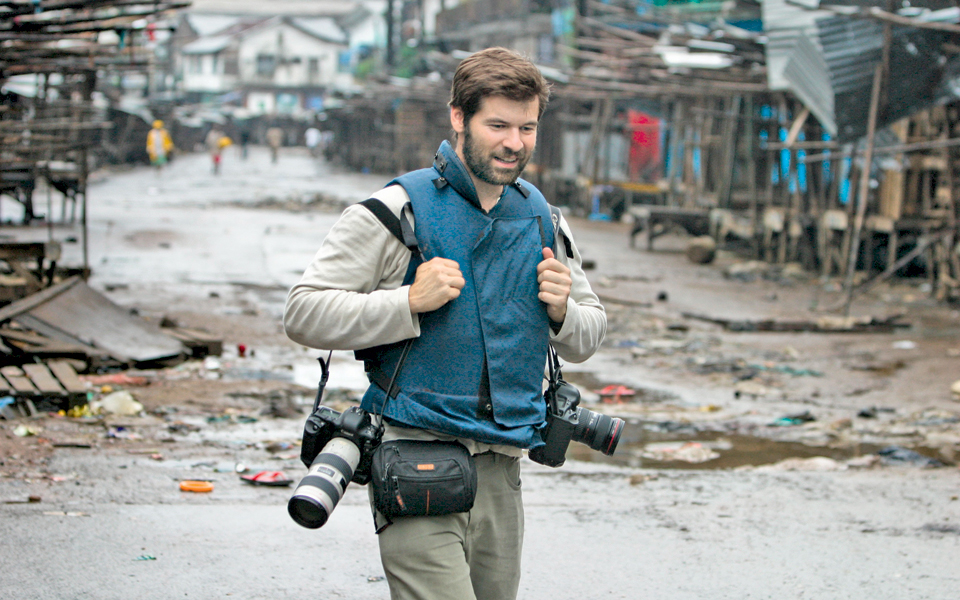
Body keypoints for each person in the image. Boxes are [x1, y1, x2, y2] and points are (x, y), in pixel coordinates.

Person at [284, 47, 606, 600]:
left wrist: (562, 311)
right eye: (498, 125)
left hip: (503, 468)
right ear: (458, 117)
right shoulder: (396, 210)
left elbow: (589, 334)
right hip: (415, 460)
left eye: (527, 128)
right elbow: (303, 312)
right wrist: (407, 301)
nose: (514, 143)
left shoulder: (543, 218)